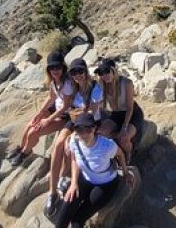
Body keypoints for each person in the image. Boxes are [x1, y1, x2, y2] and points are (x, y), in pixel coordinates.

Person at [43, 57, 104, 218]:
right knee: (59, 143)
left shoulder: (95, 88)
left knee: (71, 144)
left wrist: (80, 112)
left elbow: (92, 111)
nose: (78, 75)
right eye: (74, 72)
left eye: (80, 71)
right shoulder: (74, 88)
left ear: (86, 71)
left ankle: (65, 175)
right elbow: (65, 102)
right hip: (75, 120)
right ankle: (52, 192)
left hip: (90, 123)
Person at [7, 51, 75, 168]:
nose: (55, 70)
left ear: (63, 67)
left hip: (65, 116)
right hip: (55, 110)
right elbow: (51, 97)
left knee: (34, 131)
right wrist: (40, 113)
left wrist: (48, 120)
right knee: (31, 124)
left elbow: (65, 106)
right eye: (52, 68)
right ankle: (22, 148)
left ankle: (25, 153)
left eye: (58, 67)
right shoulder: (54, 81)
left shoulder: (67, 83)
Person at [95, 57, 144, 163]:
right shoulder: (102, 85)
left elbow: (130, 107)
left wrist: (124, 126)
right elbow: (101, 103)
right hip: (116, 114)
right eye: (101, 73)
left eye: (107, 71)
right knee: (100, 133)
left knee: (124, 138)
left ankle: (128, 152)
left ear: (114, 70)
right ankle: (115, 143)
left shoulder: (126, 83)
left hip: (132, 113)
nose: (104, 76)